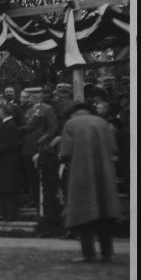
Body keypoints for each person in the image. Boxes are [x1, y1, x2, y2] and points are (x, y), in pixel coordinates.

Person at [59, 103, 122, 263]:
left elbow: (65, 153)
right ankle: (107, 253)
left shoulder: (71, 124)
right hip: (104, 173)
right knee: (104, 212)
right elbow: (114, 148)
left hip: (81, 173)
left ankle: (88, 254)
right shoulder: (102, 123)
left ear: (72, 113)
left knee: (84, 213)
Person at [0, 104, 23, 222]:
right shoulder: (5, 124)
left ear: (4, 112)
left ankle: (9, 215)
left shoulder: (10, 125)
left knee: (8, 190)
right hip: (2, 161)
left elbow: (12, 143)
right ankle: (3, 213)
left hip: (8, 162)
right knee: (2, 189)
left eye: (0, 111)